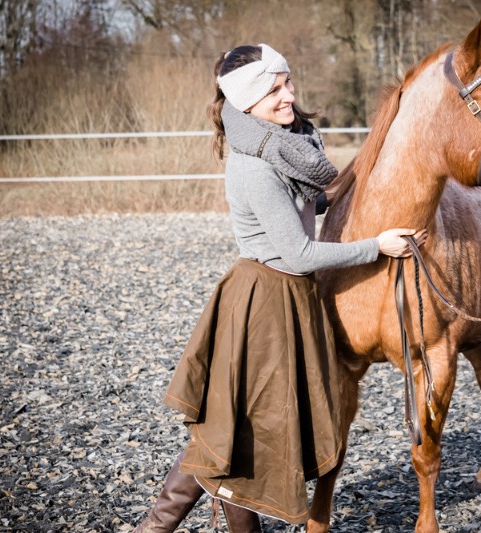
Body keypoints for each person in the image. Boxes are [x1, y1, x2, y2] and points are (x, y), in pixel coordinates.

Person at [134, 43, 426, 533]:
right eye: (274, 89)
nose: (289, 96)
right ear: (247, 102)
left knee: (241, 424)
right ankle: (155, 527)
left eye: (288, 83)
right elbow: (298, 254)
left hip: (286, 297)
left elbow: (305, 208)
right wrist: (378, 245)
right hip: (266, 299)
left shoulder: (279, 147)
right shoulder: (256, 164)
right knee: (239, 425)